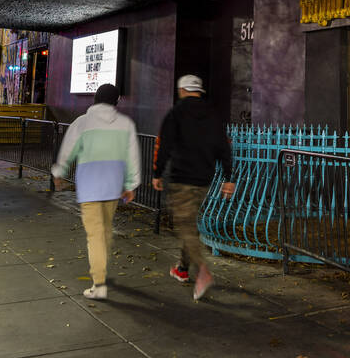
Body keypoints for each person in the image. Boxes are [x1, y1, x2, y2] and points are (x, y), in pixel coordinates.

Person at [51, 83, 140, 301]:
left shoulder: (82, 122)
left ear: (95, 99)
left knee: (95, 235)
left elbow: (68, 149)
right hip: (113, 186)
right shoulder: (125, 124)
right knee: (105, 231)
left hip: (90, 185)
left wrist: (59, 172)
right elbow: (133, 155)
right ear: (116, 101)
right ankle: (101, 272)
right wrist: (131, 184)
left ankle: (98, 283)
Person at [152, 74, 235, 301]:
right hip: (204, 179)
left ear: (182, 90)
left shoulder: (176, 114)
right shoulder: (213, 116)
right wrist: (229, 178)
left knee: (185, 225)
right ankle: (182, 268)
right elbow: (224, 148)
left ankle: (203, 271)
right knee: (189, 223)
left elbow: (165, 144)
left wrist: (157, 173)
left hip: (181, 177)